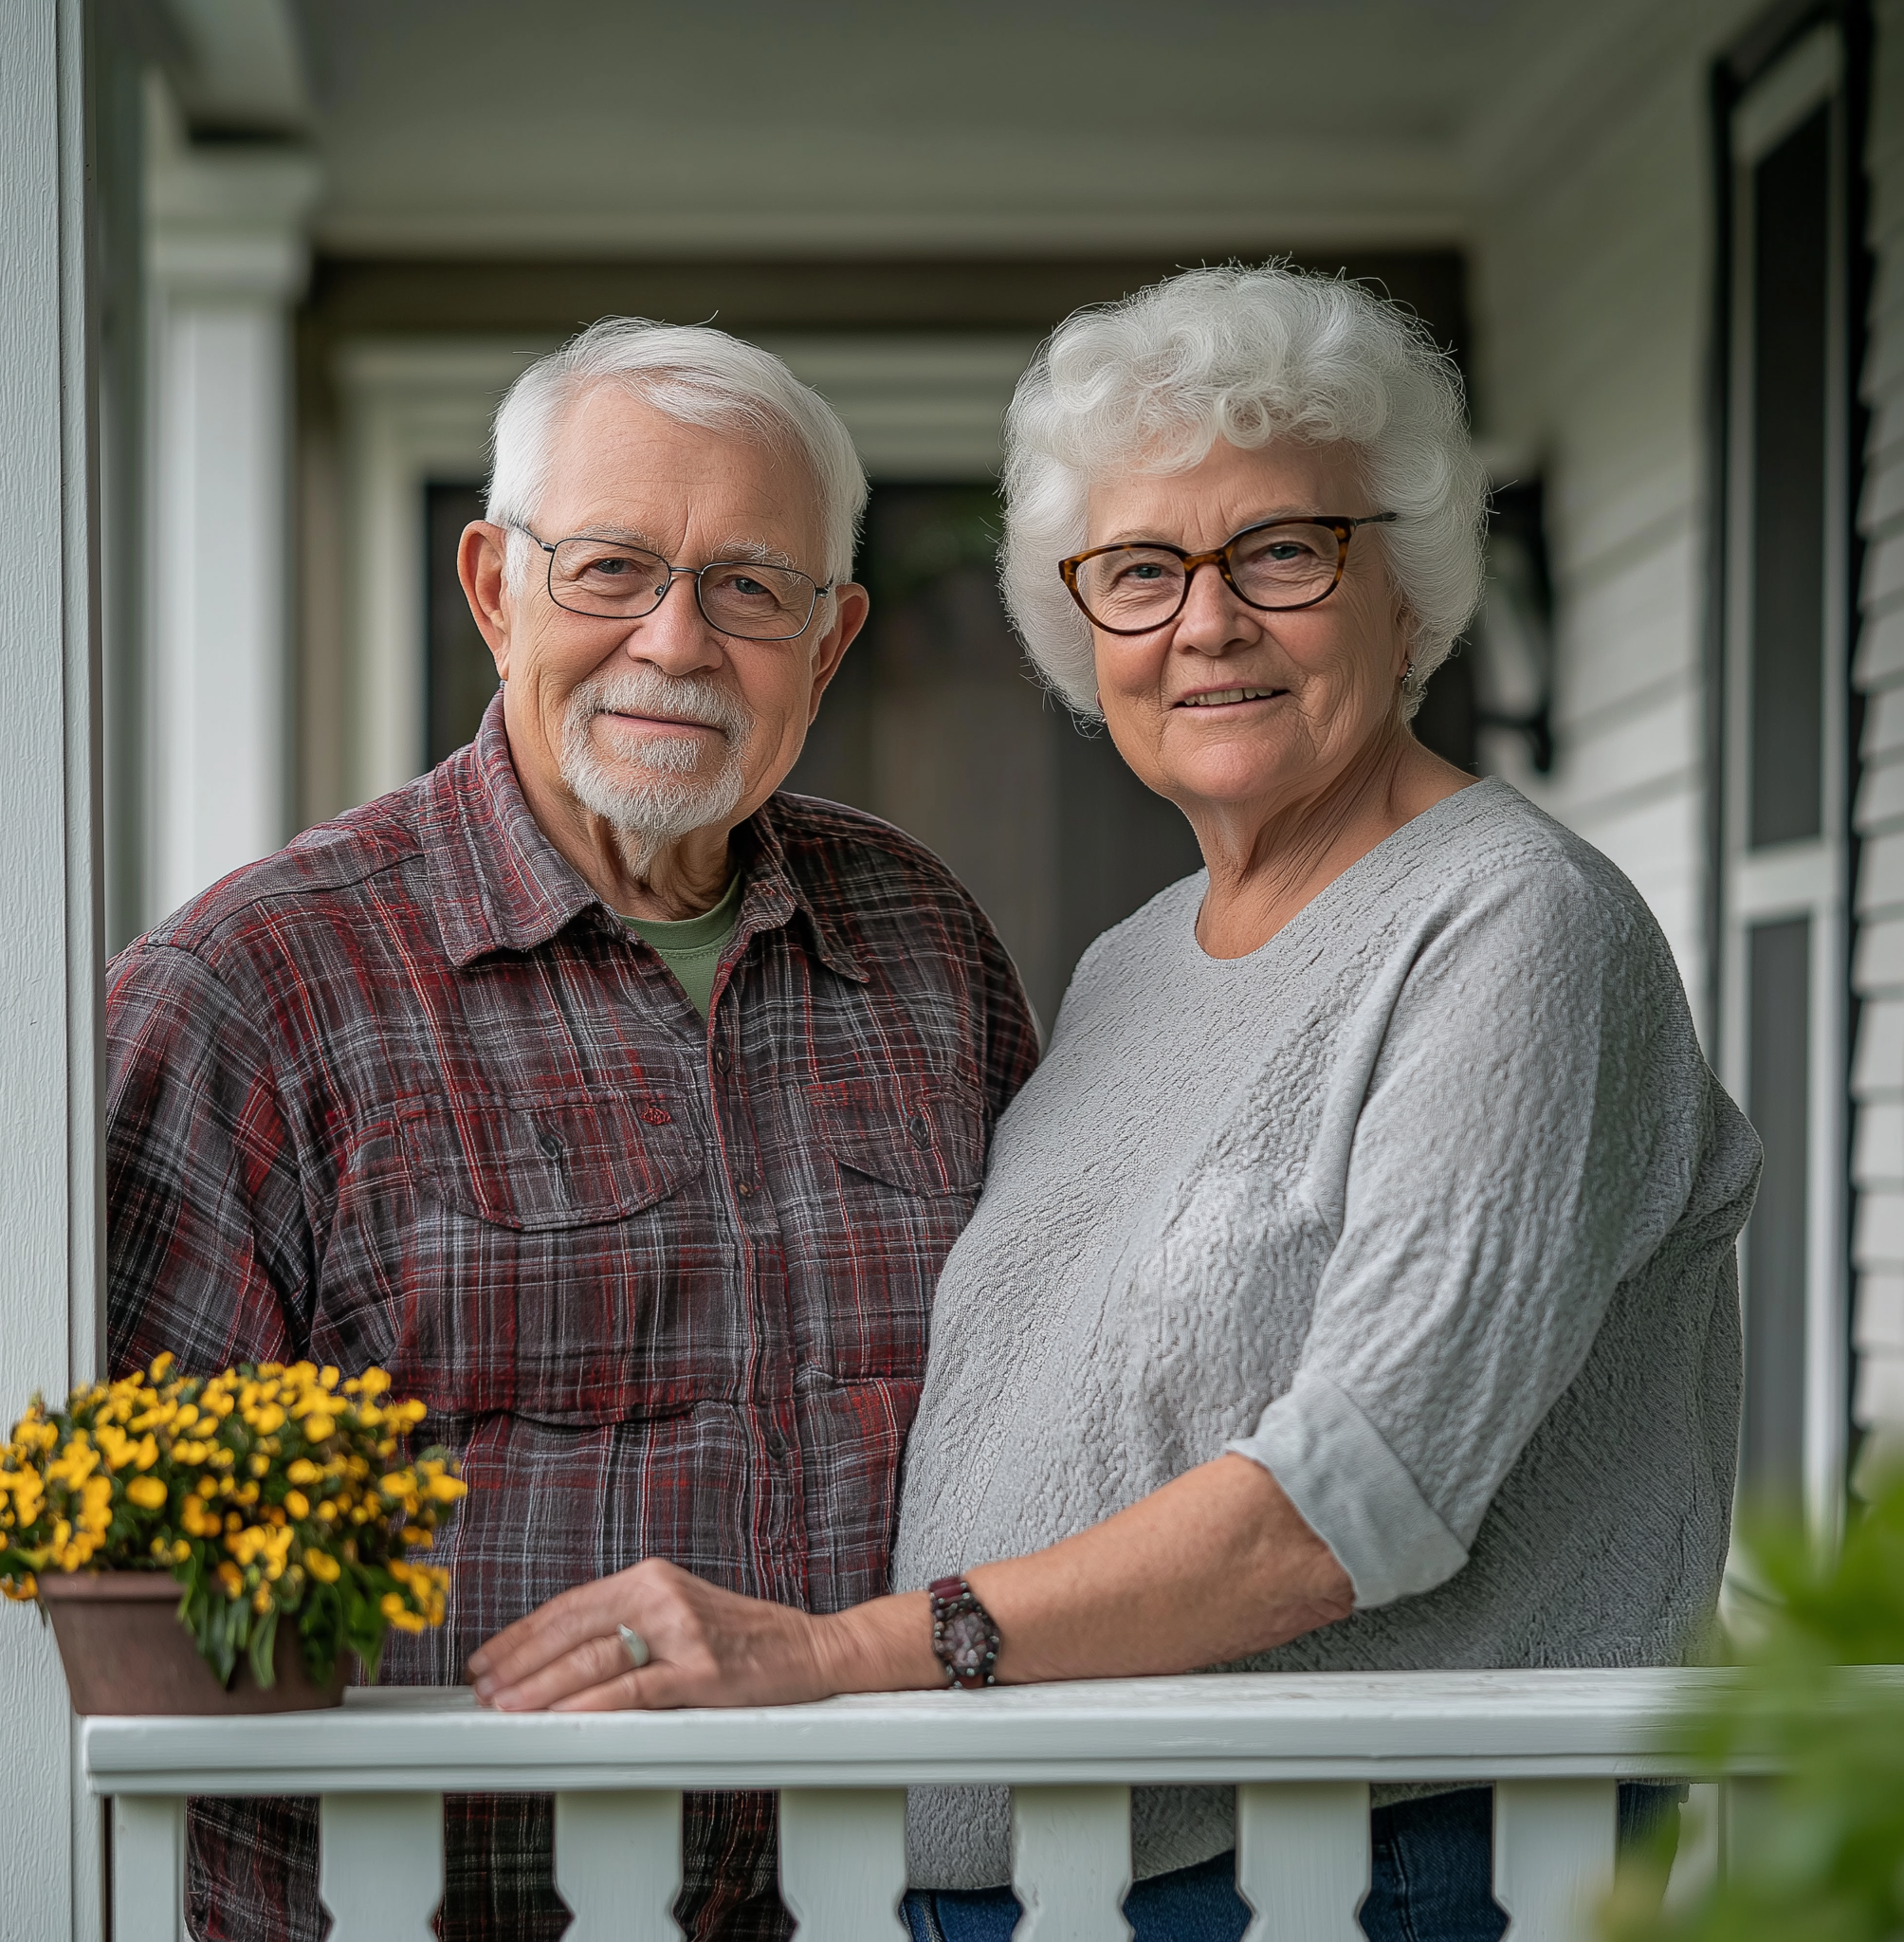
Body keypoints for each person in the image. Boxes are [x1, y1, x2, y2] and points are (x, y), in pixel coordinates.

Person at [468, 267, 1762, 1942]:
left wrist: (842, 1654)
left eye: (1283, 552)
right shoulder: (1129, 968)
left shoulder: (1514, 928)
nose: (1207, 623)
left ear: (1408, 586)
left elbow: (1357, 1491)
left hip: (1372, 1869)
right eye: (1142, 572)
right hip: (1041, 1878)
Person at [103, 319, 1040, 1942]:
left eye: (751, 588)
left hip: (888, 1915)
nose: (675, 642)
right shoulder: (253, 992)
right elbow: (112, 1581)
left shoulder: (925, 945)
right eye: (612, 568)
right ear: (493, 587)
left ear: (830, 645)